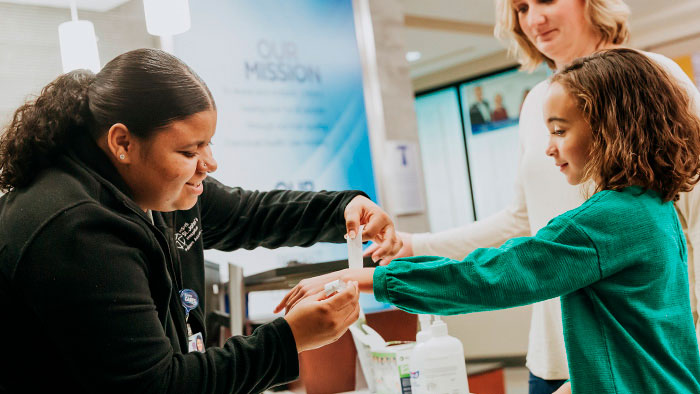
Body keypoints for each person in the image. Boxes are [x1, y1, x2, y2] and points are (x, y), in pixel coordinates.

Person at [279, 48, 700, 394]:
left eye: (558, 131)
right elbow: (646, 336)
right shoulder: (655, 207)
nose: (548, 149)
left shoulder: (604, 220)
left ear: (610, 128)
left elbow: (492, 276)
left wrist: (359, 278)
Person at [0, 48, 401, 393]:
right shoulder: (75, 230)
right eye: (191, 151)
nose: (209, 164)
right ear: (123, 143)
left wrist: (343, 209)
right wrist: (289, 338)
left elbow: (249, 214)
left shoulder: (159, 189)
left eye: (208, 143)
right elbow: (159, 386)